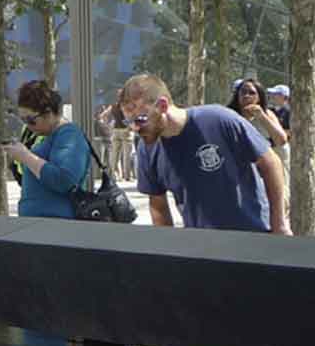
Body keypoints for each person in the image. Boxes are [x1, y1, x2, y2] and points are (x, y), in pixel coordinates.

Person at [123, 72, 289, 234]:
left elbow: (271, 163)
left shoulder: (219, 119)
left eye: (140, 120)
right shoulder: (147, 149)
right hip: (201, 244)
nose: (134, 128)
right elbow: (158, 205)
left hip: (252, 234)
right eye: (129, 122)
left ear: (162, 106)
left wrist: (279, 224)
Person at [1, 79, 89, 219]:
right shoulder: (49, 136)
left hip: (57, 227)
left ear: (48, 113)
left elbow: (63, 180)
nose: (28, 125)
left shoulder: (69, 135)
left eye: (31, 120)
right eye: (23, 120)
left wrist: (25, 156)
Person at [229, 79, 288, 148]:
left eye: (252, 93)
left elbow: (281, 141)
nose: (246, 96)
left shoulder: (267, 114)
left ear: (259, 97)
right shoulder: (229, 113)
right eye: (243, 92)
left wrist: (262, 116)